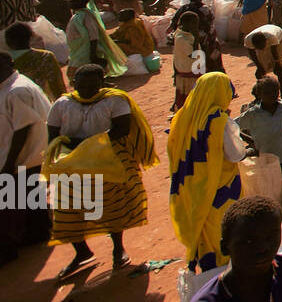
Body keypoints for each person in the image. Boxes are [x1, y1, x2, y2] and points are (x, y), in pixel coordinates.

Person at [45, 64, 158, 279]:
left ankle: (118, 248)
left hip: (106, 160)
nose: (87, 90)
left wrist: (90, 145)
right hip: (71, 163)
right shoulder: (61, 105)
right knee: (69, 209)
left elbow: (121, 129)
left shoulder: (115, 101)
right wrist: (71, 151)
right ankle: (81, 252)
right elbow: (52, 134)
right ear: (73, 84)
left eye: (92, 86)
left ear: (102, 83)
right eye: (82, 85)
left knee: (111, 206)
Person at [168, 72, 251, 272]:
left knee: (202, 228)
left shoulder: (182, 118)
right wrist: (248, 149)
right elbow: (234, 154)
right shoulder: (219, 122)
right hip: (220, 189)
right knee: (221, 232)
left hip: (190, 188)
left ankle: (205, 265)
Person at [0, 52, 52, 267]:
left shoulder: (16, 91)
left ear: (9, 64)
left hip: (25, 155)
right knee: (30, 196)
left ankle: (7, 248)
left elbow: (22, 129)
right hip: (29, 155)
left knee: (9, 205)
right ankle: (38, 232)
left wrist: (9, 163)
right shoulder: (12, 86)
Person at [236, 77, 282, 192]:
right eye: (267, 93)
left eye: (275, 92)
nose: (272, 95)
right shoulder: (253, 114)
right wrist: (250, 140)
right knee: (273, 190)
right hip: (267, 162)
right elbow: (233, 127)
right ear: (260, 95)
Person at [66, 0, 128, 79]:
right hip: (78, 48)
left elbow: (93, 35)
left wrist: (93, 54)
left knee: (85, 69)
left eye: (72, 1)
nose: (70, 3)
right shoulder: (77, 15)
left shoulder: (87, 16)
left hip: (86, 48)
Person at [5, 21, 66, 100]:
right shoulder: (45, 57)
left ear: (7, 42)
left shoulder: (5, 63)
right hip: (43, 105)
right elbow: (57, 88)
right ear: (30, 38)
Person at [246, 26, 282, 98]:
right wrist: (259, 67)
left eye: (262, 47)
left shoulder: (272, 37)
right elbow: (252, 54)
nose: (261, 49)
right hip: (263, 41)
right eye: (258, 48)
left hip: (279, 39)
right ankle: (261, 95)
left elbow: (274, 51)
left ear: (266, 40)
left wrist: (277, 64)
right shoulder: (248, 40)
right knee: (260, 73)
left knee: (280, 71)